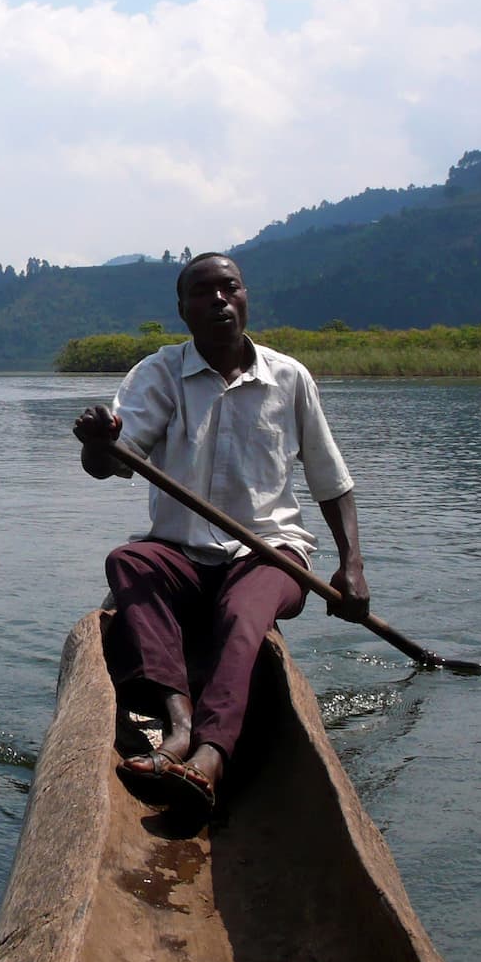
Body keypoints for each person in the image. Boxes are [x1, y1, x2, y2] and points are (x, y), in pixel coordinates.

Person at [71, 252, 369, 812]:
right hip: (181, 555)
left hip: (270, 555)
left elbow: (332, 481)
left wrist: (351, 564)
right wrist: (97, 442)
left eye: (228, 288)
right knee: (129, 562)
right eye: (202, 293)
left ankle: (211, 753)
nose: (218, 300)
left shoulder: (289, 378)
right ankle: (178, 722)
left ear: (245, 296)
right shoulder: (158, 375)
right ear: (182, 310)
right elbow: (110, 462)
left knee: (242, 611)